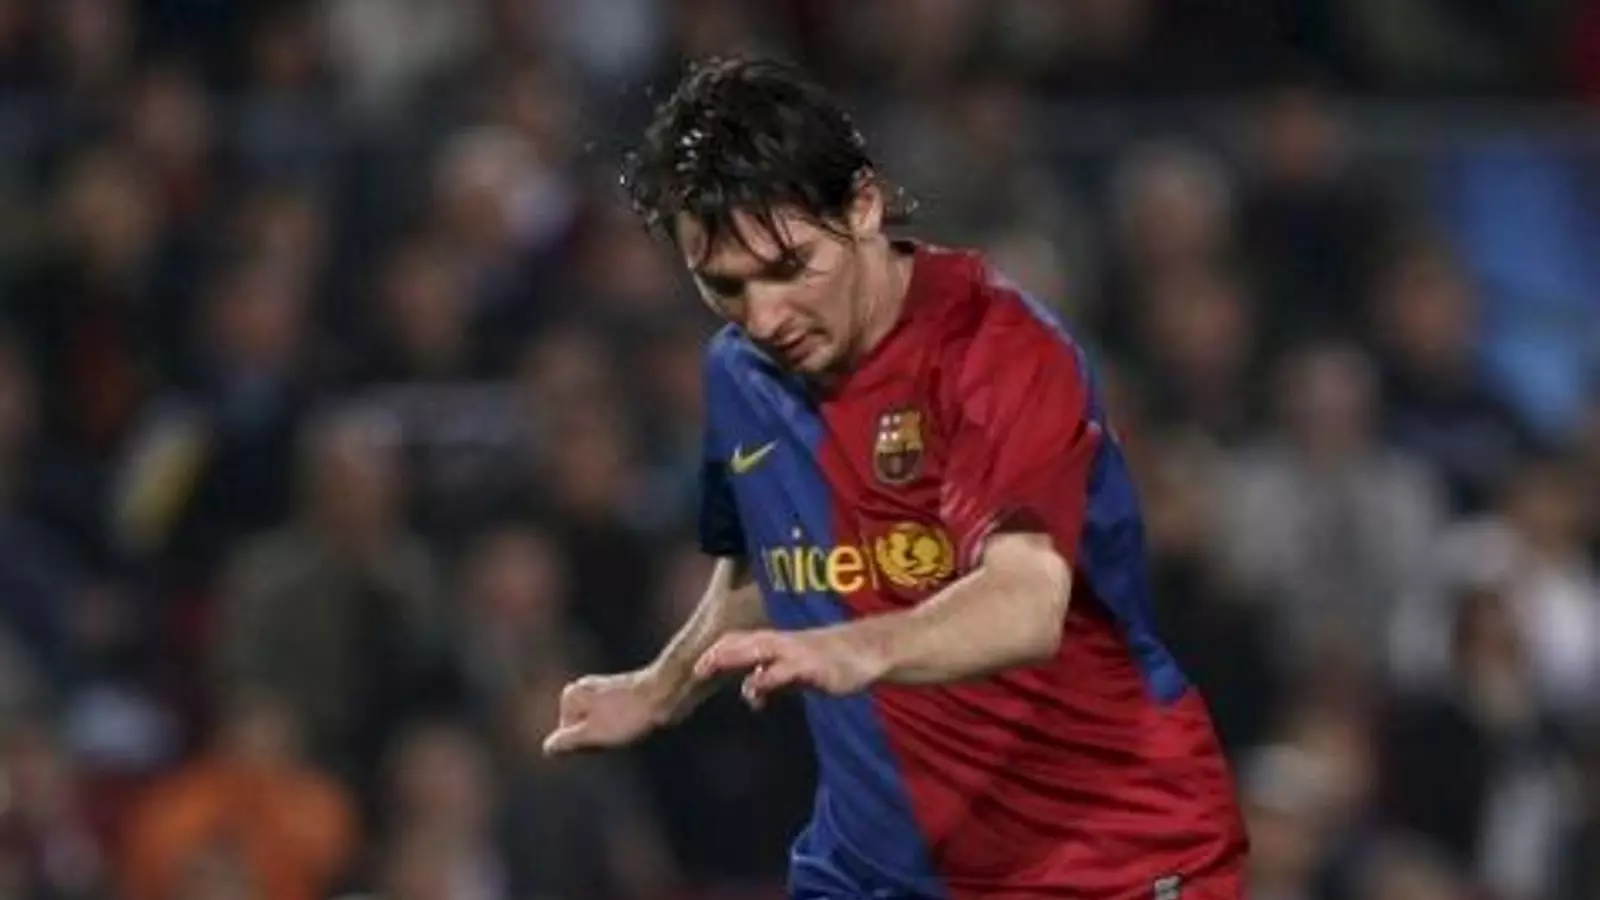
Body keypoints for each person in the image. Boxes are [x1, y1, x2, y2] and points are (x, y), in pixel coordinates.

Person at [543, 56, 1248, 900]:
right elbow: (772, 566)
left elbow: (1026, 601)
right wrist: (658, 691)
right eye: (723, 284)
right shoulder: (740, 373)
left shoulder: (995, 351)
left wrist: (853, 647)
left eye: (790, 266)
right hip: (876, 866)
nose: (763, 317)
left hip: (1101, 854)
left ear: (864, 205)